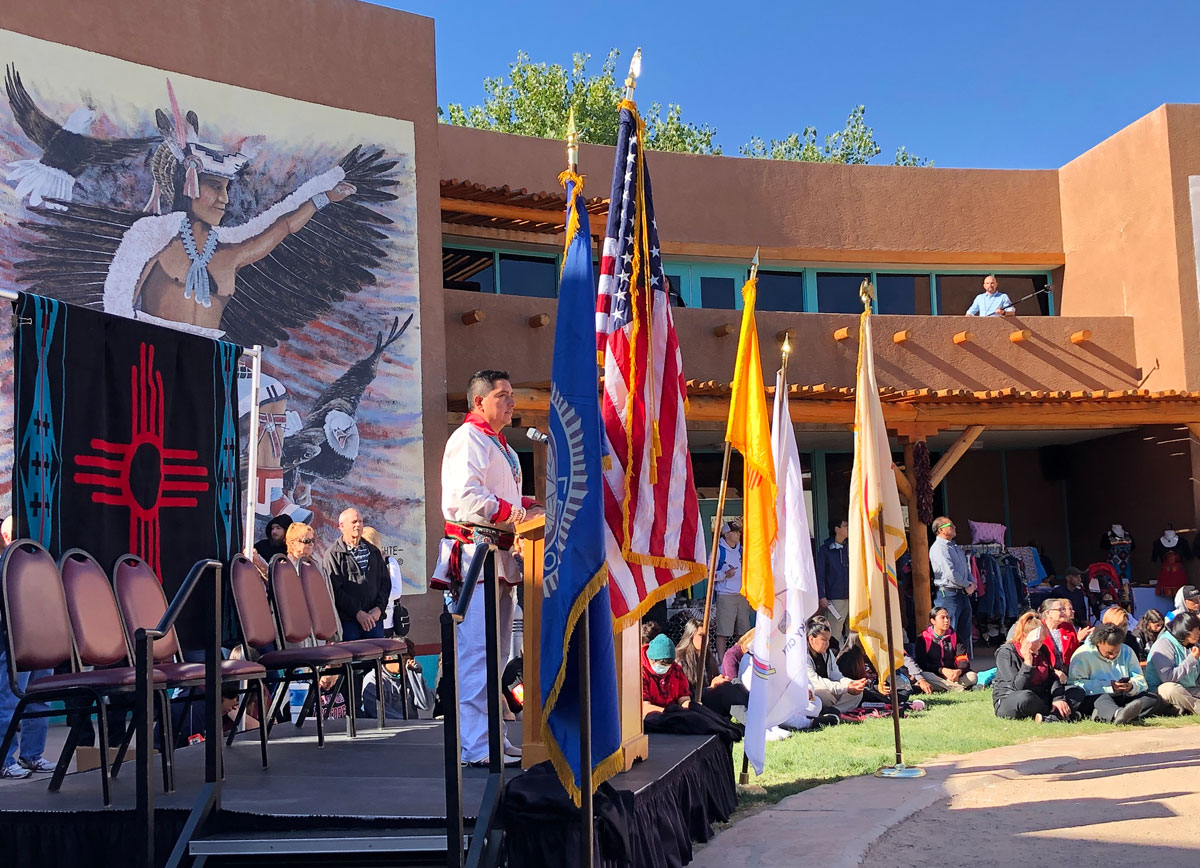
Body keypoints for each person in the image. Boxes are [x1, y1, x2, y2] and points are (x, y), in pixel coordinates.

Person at [438, 370, 539, 767]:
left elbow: (500, 495)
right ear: (478, 401)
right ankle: (477, 745)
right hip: (474, 557)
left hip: (497, 559)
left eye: (513, 395)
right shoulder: (467, 439)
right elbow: (466, 498)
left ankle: (492, 738)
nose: (512, 402)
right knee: (476, 653)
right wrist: (517, 512)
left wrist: (529, 506)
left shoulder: (501, 445)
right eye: (503, 395)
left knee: (495, 656)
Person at [993, 611, 1083, 722]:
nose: (1039, 645)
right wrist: (1028, 663)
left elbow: (1052, 677)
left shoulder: (1042, 650)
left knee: (1076, 691)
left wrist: (1057, 699)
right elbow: (1017, 687)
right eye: (1037, 641)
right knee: (1026, 697)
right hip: (1012, 697)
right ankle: (1058, 716)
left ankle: (1050, 717)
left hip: (1041, 694)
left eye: (1041, 641)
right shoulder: (1006, 653)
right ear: (1025, 637)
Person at [1068, 623, 1160, 724]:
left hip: (1123, 696)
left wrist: (1131, 686)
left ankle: (1111, 713)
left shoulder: (1127, 651)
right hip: (1097, 696)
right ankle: (1117, 713)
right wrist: (1107, 686)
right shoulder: (1082, 655)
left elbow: (1141, 680)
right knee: (1102, 699)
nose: (1112, 656)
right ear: (1099, 643)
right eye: (1109, 652)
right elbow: (1075, 684)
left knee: (1152, 699)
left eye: (1116, 652)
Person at [322, 508, 389, 641]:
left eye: (360, 521)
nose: (358, 525)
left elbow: (385, 583)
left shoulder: (373, 551)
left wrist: (379, 609)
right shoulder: (334, 554)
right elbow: (335, 589)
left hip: (374, 622)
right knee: (353, 660)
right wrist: (357, 613)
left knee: (375, 660)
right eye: (353, 522)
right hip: (349, 623)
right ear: (341, 526)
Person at [675, 618, 749, 718]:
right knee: (726, 691)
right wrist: (712, 686)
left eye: (707, 635)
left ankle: (756, 717)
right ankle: (753, 723)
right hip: (695, 703)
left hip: (710, 697)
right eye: (701, 635)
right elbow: (686, 694)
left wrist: (719, 680)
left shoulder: (708, 657)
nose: (705, 639)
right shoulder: (680, 660)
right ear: (690, 636)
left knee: (735, 684)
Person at [928, 517, 977, 659]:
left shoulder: (955, 547)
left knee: (964, 631)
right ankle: (948, 663)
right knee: (948, 630)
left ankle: (962, 662)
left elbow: (966, 569)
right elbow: (950, 573)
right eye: (951, 524)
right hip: (947, 594)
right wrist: (967, 584)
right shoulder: (939, 548)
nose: (954, 527)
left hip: (962, 594)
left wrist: (971, 583)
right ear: (940, 529)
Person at [806, 618, 866, 713]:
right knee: (825, 696)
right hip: (813, 690)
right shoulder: (803, 656)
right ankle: (832, 711)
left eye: (828, 640)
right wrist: (845, 687)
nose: (827, 644)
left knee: (858, 694)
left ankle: (834, 711)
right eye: (824, 640)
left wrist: (851, 683)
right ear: (811, 639)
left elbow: (836, 675)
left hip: (830, 688)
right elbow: (816, 681)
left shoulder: (828, 653)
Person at [1146, 612, 1200, 715]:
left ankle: (1182, 709)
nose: (1199, 633)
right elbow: (1167, 677)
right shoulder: (1163, 644)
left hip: (1189, 689)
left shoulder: (1192, 645)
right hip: (1161, 692)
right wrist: (1191, 659)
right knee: (1170, 688)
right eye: (1196, 630)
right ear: (1185, 631)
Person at [914, 606, 978, 692]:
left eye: (947, 617)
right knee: (924, 676)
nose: (946, 620)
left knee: (972, 676)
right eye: (942, 618)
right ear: (933, 621)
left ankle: (947, 687)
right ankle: (958, 688)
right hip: (934, 675)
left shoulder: (955, 636)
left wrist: (958, 672)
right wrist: (942, 670)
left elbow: (963, 659)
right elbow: (922, 663)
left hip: (953, 676)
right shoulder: (923, 638)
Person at [712, 522, 751, 659]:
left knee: (743, 630)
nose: (738, 534)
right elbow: (708, 573)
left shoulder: (742, 550)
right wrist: (724, 575)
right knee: (723, 631)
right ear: (726, 534)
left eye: (739, 532)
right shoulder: (718, 551)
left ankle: (742, 658)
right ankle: (722, 662)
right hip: (725, 595)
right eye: (735, 532)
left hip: (741, 594)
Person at [361, 526, 406, 638]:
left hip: (385, 620)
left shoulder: (389, 562)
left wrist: (377, 599)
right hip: (364, 621)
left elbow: (396, 591)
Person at [816, 518, 850, 642]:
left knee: (853, 631)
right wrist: (822, 596)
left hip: (852, 596)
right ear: (837, 529)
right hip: (835, 598)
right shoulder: (826, 550)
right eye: (845, 525)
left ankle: (852, 658)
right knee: (835, 631)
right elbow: (820, 574)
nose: (848, 528)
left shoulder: (850, 548)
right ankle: (835, 658)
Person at [641, 634, 693, 715]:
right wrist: (668, 713)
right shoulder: (640, 673)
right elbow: (644, 706)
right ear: (652, 659)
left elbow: (683, 697)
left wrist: (689, 707)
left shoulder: (676, 670)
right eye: (662, 664)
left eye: (669, 665)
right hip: (651, 717)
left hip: (674, 714)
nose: (666, 668)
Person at [1040, 597, 1087, 679]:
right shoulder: (1038, 628)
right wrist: (1053, 672)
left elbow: (1074, 651)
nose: (1063, 612)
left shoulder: (1068, 627)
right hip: (1046, 675)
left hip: (1068, 673)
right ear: (1048, 613)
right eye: (1060, 610)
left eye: (1063, 609)